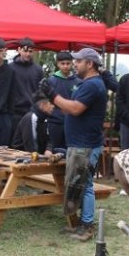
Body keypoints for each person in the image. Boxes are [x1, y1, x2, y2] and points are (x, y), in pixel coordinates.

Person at [39, 48, 107, 241]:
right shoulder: (89, 83)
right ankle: (80, 224)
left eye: (78, 61)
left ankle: (87, 227)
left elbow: (75, 109)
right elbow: (71, 106)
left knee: (85, 186)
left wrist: (52, 94)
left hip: (86, 145)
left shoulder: (93, 85)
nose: (74, 64)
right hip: (80, 143)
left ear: (89, 64)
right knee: (80, 185)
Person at [9, 37, 44, 135]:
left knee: (29, 146)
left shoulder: (38, 70)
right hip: (13, 114)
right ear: (19, 50)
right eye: (25, 51)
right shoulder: (10, 68)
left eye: (30, 51)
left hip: (31, 114)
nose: (28, 54)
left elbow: (41, 93)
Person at [46, 51, 80, 150]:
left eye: (68, 63)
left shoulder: (78, 81)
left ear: (72, 63)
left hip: (72, 123)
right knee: (54, 151)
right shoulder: (51, 81)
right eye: (62, 63)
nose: (65, 66)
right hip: (54, 122)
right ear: (58, 64)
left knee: (70, 151)